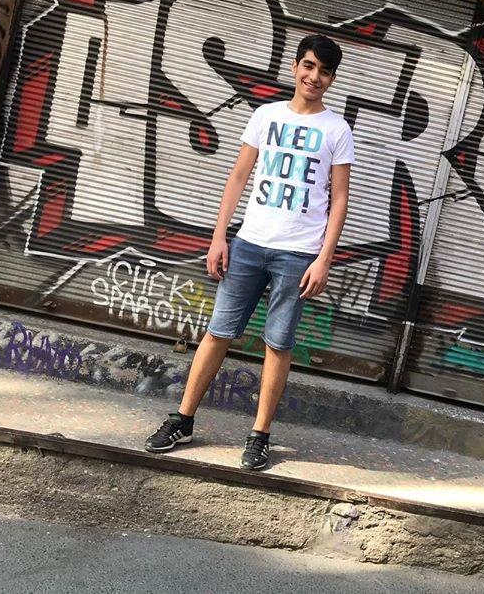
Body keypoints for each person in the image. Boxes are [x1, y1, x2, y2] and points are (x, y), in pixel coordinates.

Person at [144, 34, 354, 470]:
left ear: (332, 79)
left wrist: (324, 258)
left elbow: (339, 199)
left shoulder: (337, 129)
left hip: (298, 253)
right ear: (295, 67)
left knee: (278, 343)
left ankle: (260, 435)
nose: (314, 77)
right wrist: (219, 236)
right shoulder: (266, 115)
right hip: (249, 243)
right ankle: (183, 420)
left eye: (324, 71)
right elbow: (239, 176)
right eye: (309, 66)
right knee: (217, 333)